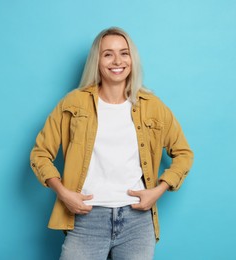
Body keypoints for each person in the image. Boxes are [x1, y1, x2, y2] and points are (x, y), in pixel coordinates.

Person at [30, 27, 193, 260]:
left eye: (124, 53)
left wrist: (158, 190)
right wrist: (64, 193)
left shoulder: (152, 106)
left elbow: (184, 154)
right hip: (86, 219)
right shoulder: (74, 103)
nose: (117, 61)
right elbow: (40, 154)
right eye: (108, 54)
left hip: (137, 222)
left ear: (132, 59)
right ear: (97, 60)